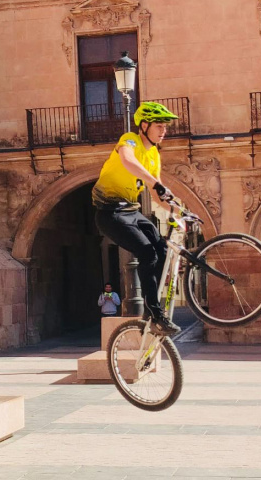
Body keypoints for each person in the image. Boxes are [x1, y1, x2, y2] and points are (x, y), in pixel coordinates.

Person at [91, 101, 180, 336]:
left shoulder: (154, 155)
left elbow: (157, 194)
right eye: (159, 126)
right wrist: (154, 182)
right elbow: (128, 161)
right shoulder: (129, 140)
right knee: (146, 252)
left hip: (132, 211)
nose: (163, 131)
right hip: (110, 213)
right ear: (144, 125)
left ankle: (152, 312)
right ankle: (154, 310)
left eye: (165, 127)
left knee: (160, 249)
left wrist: (179, 210)